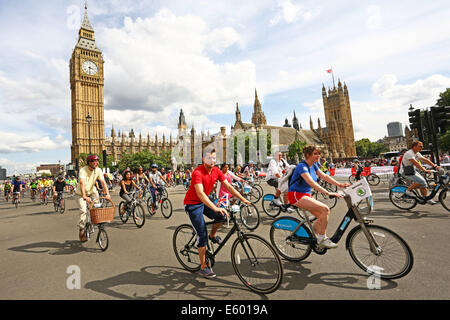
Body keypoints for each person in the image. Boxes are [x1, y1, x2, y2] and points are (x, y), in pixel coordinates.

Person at [184, 148, 251, 279]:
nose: (212, 160)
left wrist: (242, 198)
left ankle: (213, 235)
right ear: (203, 159)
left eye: (214, 158)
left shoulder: (216, 171)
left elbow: (229, 187)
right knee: (201, 234)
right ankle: (203, 266)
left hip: (205, 202)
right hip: (192, 204)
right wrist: (215, 207)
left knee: (222, 215)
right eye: (209, 158)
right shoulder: (198, 172)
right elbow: (200, 194)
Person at [288, 146, 349, 249]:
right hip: (296, 195)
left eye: (318, 153)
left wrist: (339, 184)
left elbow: (324, 176)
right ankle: (322, 239)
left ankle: (308, 236)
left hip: (306, 195)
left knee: (322, 216)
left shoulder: (314, 165)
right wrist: (327, 193)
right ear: (308, 155)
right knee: (325, 209)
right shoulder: (302, 166)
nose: (318, 155)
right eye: (315, 153)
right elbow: (310, 182)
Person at [75, 155, 111, 242]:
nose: (96, 163)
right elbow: (81, 183)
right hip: (81, 193)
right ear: (89, 162)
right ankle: (82, 228)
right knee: (83, 210)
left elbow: (102, 182)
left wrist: (107, 194)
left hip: (92, 191)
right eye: (94, 161)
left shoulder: (98, 170)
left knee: (98, 206)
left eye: (97, 161)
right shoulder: (83, 170)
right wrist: (84, 196)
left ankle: (98, 222)